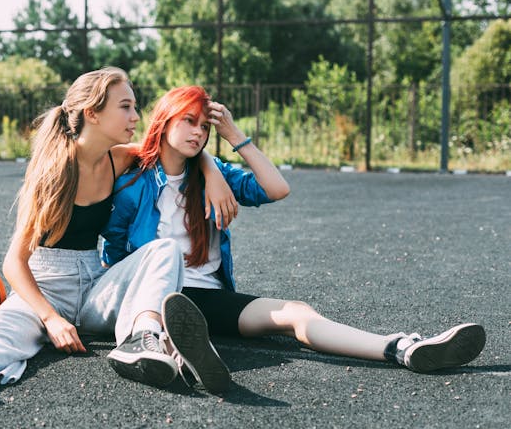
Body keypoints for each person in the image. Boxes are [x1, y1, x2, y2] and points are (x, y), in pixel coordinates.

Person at [0, 68, 237, 400]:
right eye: (125, 107)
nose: (135, 117)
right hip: (48, 285)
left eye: (135, 107)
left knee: (165, 252)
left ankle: (142, 339)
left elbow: (173, 149)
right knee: (5, 325)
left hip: (96, 284)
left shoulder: (119, 158)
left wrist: (211, 171)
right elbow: (14, 262)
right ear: (93, 113)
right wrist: (50, 317)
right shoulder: (53, 171)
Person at [102, 85, 486, 382]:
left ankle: (400, 346)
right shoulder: (132, 182)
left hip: (211, 298)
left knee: (296, 314)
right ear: (166, 120)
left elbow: (275, 188)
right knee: (177, 304)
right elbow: (117, 254)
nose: (198, 132)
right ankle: (167, 345)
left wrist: (234, 138)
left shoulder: (211, 172)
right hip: (163, 295)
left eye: (204, 126)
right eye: (188, 121)